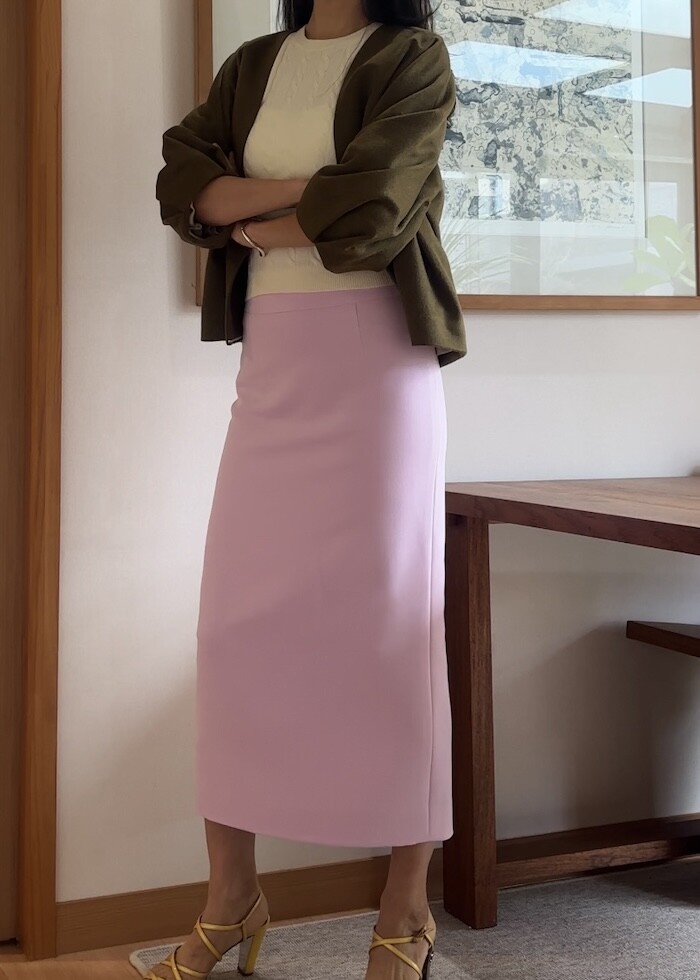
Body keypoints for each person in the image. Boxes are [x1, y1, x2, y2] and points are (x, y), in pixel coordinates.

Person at [152, 1, 467, 978]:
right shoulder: (253, 63)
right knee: (234, 626)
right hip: (276, 367)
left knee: (393, 626)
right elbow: (180, 183)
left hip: (378, 369)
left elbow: (372, 211)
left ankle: (405, 908)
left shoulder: (414, 57)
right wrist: (303, 197)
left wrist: (243, 215)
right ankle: (232, 898)